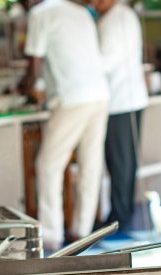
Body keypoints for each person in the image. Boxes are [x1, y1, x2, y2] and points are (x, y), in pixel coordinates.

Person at [19, 0, 110, 252]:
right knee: (90, 163)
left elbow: (34, 64)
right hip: (100, 93)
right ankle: (82, 230)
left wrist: (21, 88)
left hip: (72, 97)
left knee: (48, 165)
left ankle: (51, 235)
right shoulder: (81, 12)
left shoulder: (39, 13)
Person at [89, 0, 149, 231]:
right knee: (120, 162)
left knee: (121, 162)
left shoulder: (117, 19)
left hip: (122, 101)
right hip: (121, 100)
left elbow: (105, 62)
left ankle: (119, 217)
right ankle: (119, 213)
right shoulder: (115, 16)